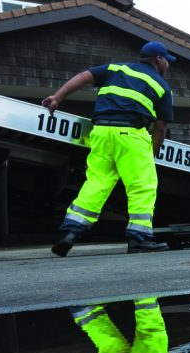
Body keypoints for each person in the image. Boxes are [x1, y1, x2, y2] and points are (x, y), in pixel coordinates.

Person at [42, 41, 175, 256]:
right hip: (131, 135)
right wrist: (152, 153)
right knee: (142, 185)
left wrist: (58, 97)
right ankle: (139, 239)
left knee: (96, 182)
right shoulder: (161, 86)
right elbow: (160, 128)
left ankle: (71, 232)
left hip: (101, 132)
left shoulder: (115, 68)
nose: (168, 65)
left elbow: (83, 76)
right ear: (158, 60)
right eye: (167, 60)